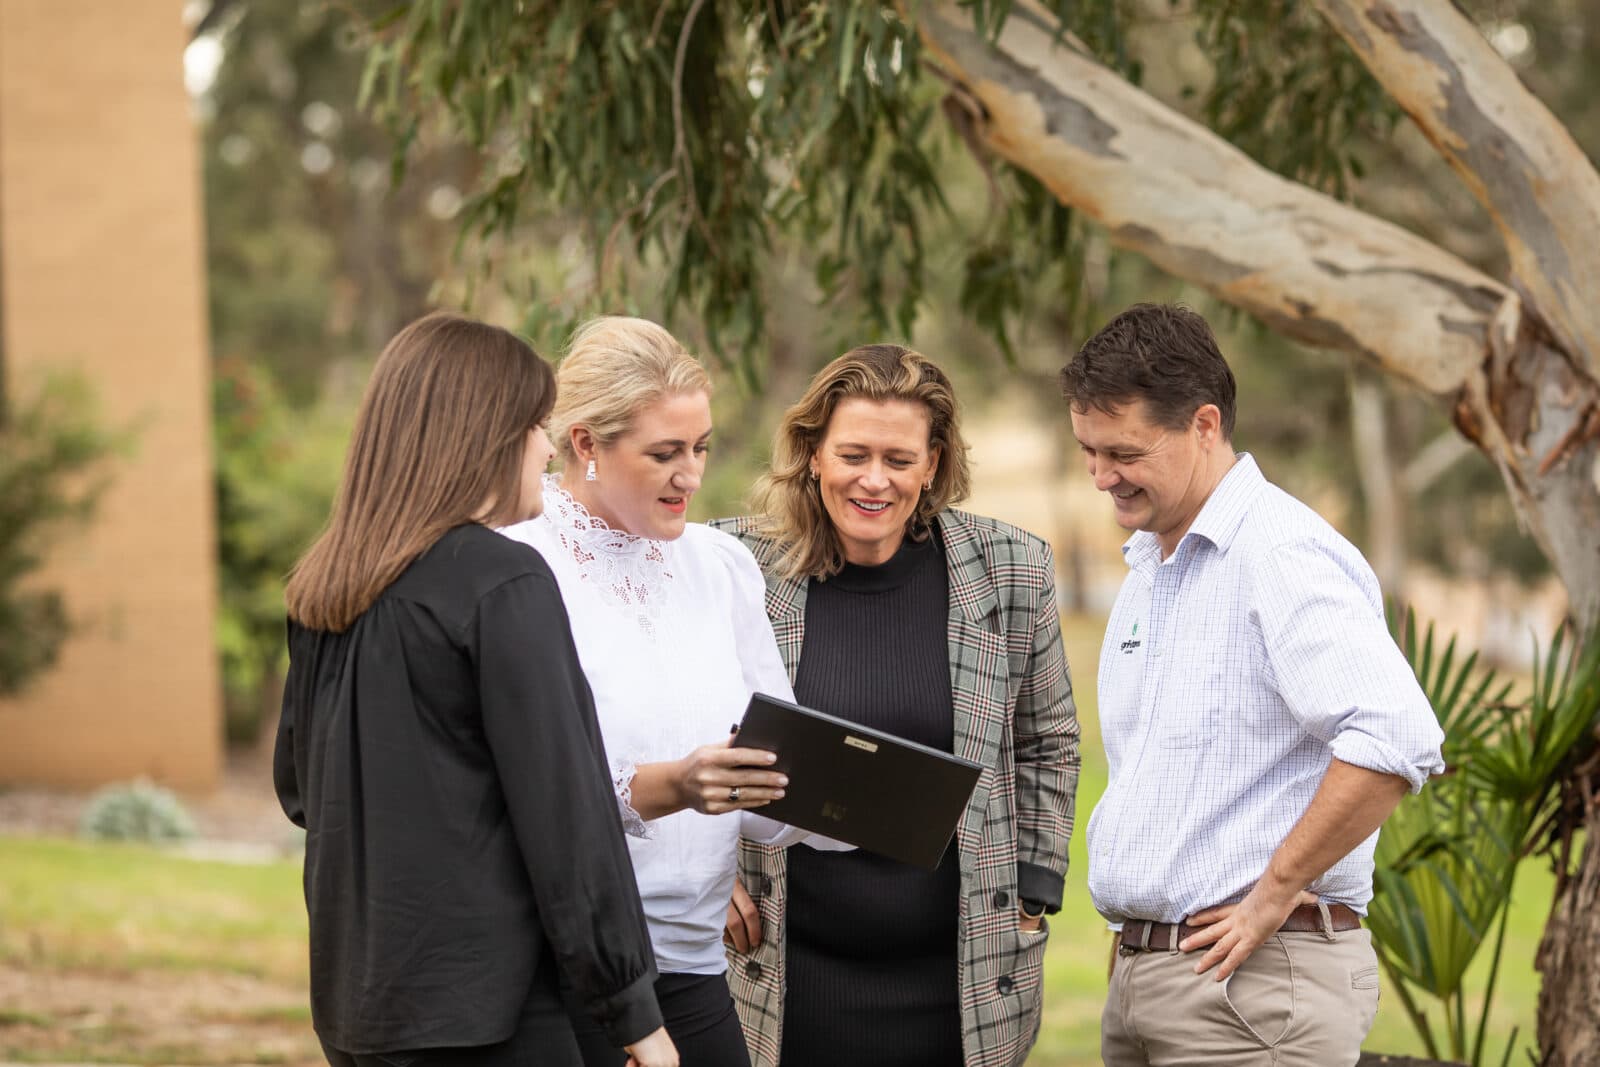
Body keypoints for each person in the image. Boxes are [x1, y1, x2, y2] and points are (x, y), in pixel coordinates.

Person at [273, 312, 676, 1067]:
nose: (546, 447)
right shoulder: (503, 581)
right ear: (482, 435)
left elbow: (300, 789)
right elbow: (569, 817)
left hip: (358, 1007)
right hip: (488, 1017)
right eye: (534, 426)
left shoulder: (325, 585)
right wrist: (635, 1014)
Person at [1061, 303, 1446, 1066]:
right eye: (1088, 450)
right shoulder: (1151, 565)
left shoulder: (1281, 554)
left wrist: (1272, 894)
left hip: (1251, 993)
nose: (1102, 475)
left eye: (1124, 451)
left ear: (1205, 425)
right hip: (1147, 980)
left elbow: (1394, 737)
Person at [716, 344, 1081, 1067]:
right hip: (784, 974)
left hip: (959, 979)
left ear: (935, 464)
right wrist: (705, 869)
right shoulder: (734, 566)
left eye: (899, 458)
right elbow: (668, 725)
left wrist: (1035, 891)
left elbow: (1051, 740)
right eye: (853, 453)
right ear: (812, 452)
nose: (874, 480)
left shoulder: (1012, 570)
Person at [498, 316, 842, 1067]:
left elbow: (767, 778)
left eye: (701, 446)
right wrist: (676, 785)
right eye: (665, 453)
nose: (692, 474)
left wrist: (845, 799)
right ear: (585, 443)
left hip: (694, 964)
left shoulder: (722, 566)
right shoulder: (513, 566)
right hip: (561, 967)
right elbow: (518, 786)